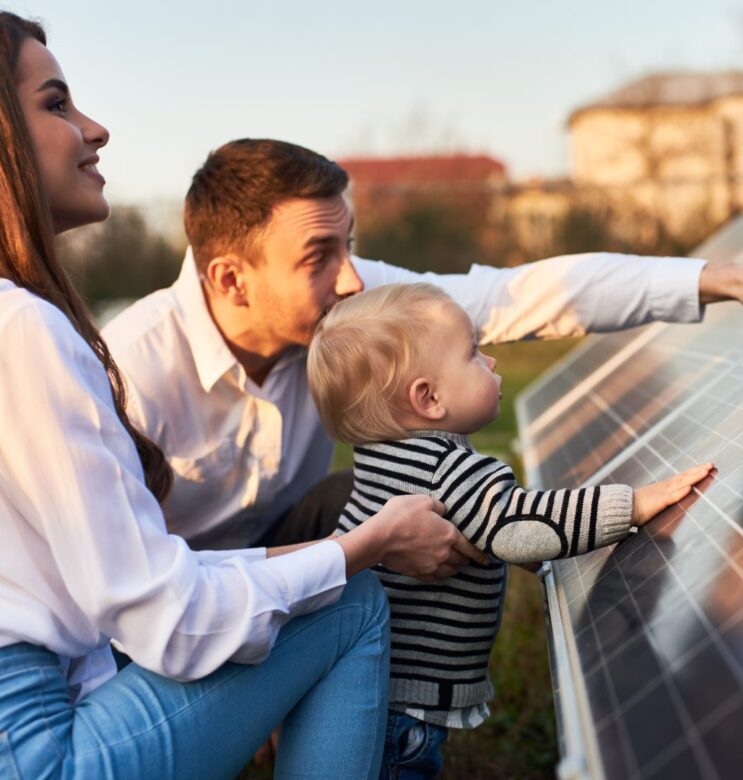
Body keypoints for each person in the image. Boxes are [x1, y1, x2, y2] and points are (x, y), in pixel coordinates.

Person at [0, 12, 486, 778]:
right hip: (38, 749)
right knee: (351, 601)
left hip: (57, 689)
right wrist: (364, 549)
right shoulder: (29, 329)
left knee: (332, 551)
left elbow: (509, 297)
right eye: (55, 103)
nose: (95, 129)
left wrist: (711, 282)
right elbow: (163, 619)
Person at [102, 138, 743, 557]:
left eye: (350, 246)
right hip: (167, 604)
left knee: (410, 497)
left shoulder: (350, 302)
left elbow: (518, 295)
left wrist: (728, 279)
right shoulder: (128, 373)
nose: (349, 283)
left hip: (284, 549)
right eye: (318, 259)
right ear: (231, 280)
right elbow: (121, 586)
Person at [306, 282, 715, 777]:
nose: (493, 363)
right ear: (428, 398)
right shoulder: (448, 469)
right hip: (404, 708)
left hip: (369, 685)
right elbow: (518, 523)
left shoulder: (379, 461)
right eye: (475, 353)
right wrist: (633, 504)